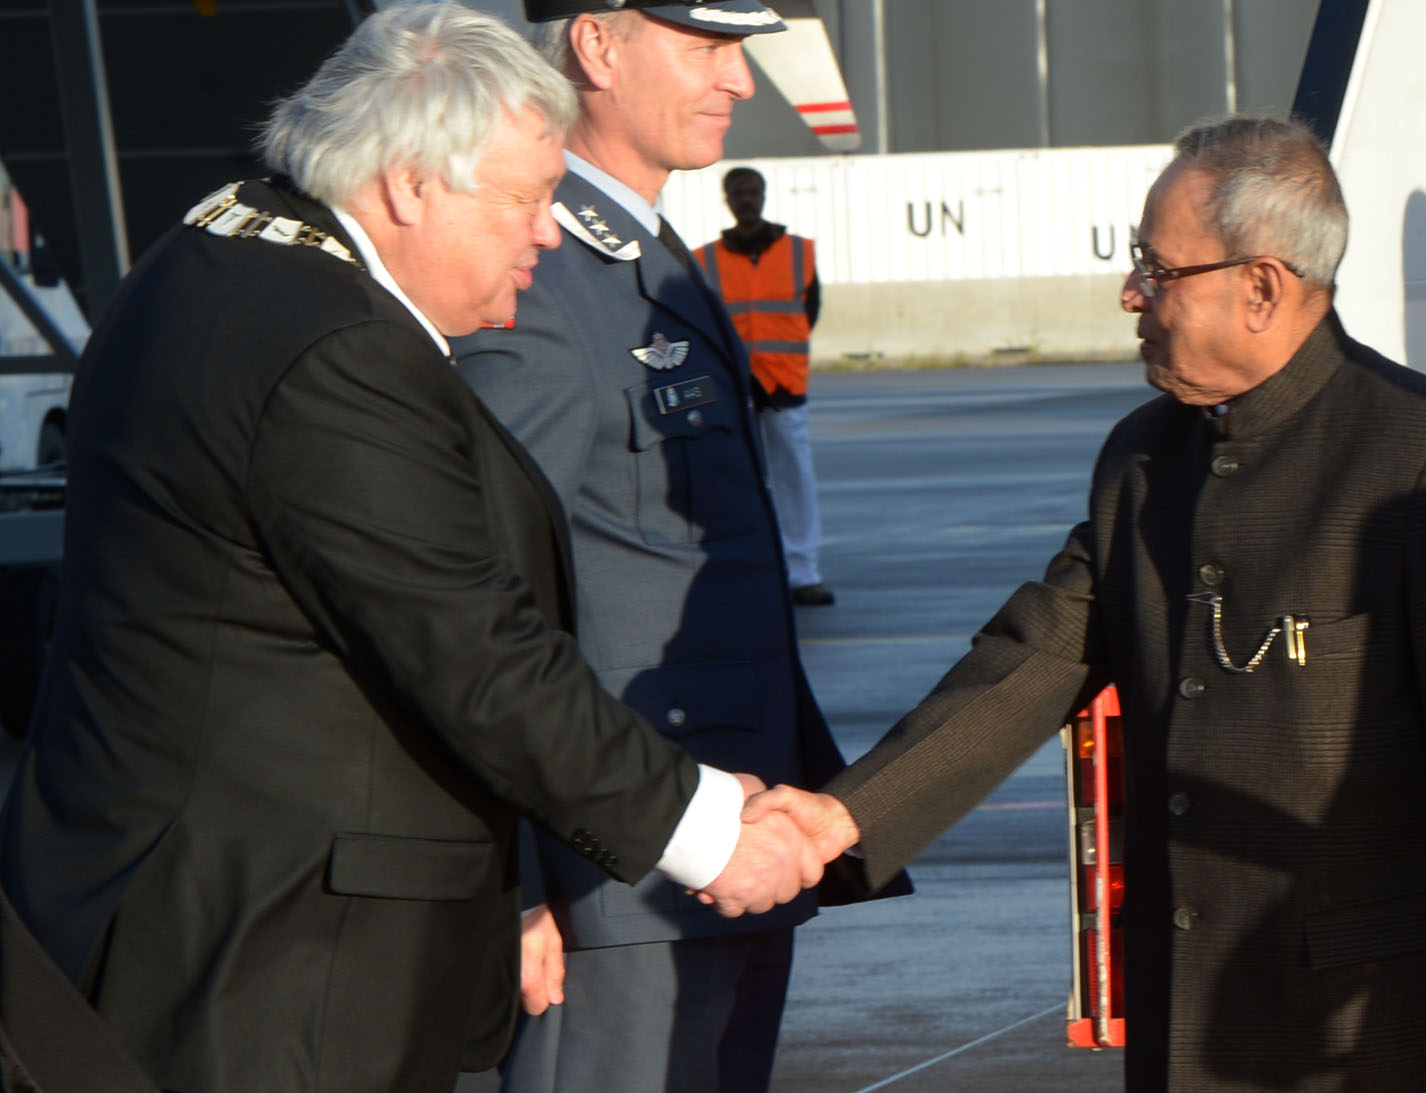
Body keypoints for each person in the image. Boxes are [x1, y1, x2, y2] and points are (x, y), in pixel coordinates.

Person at [0, 7, 822, 1091]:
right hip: (267, 955)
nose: (543, 234)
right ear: (407, 184)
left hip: (216, 911)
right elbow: (473, 649)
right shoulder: (336, 353)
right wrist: (709, 829)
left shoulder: (229, 251)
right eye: (525, 201)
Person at [746, 116, 1426, 1092]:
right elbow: (1033, 659)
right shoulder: (1143, 459)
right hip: (1187, 1018)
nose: (1129, 293)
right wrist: (842, 815)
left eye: (1157, 270)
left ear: (1260, 286)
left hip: (1369, 1032)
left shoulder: (1422, 466)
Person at [453, 2, 907, 1090]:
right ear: (598, 45)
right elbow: (478, 609)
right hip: (612, 883)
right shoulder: (538, 272)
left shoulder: (651, 253)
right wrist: (514, 884)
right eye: (706, 46)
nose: (740, 81)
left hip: (726, 856)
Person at [694, 166, 832, 606]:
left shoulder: (798, 252)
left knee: (793, 479)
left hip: (783, 386)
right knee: (733, 480)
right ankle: (745, 571)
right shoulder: (705, 259)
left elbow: (808, 311)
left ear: (765, 195)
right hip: (731, 388)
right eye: (738, 192)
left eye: (752, 191)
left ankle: (802, 572)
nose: (746, 199)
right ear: (727, 198)